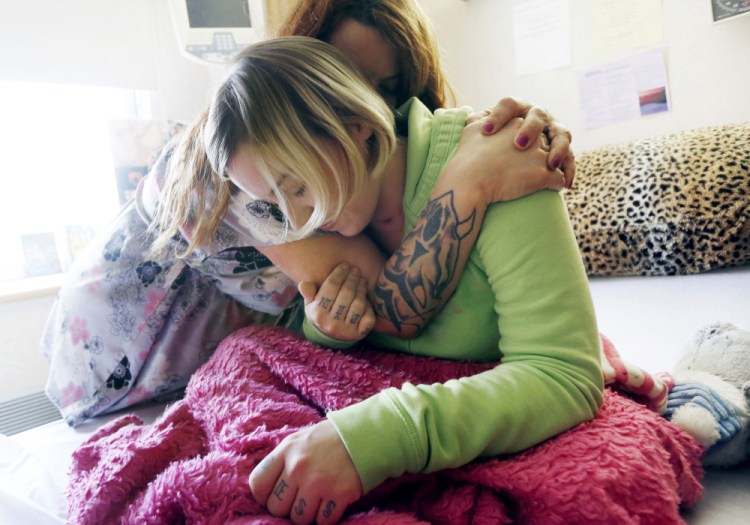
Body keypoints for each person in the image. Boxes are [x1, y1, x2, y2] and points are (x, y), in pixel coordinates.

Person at [42, 2, 574, 424]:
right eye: (341, 76)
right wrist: (469, 179)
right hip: (113, 358)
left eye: (386, 89)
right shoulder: (236, 171)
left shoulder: (361, 170)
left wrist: (507, 140)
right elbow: (393, 310)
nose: (364, 105)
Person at [171, 37, 600, 525]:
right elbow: (321, 337)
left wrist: (377, 437)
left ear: (356, 129)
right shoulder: (324, 223)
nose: (297, 222)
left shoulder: (504, 154)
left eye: (297, 187)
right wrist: (324, 325)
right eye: (273, 203)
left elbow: (565, 375)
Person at [276, 0, 576, 181]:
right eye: (345, 81)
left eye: (388, 89)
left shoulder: (420, 159)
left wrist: (523, 133)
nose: (366, 112)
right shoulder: (258, 178)